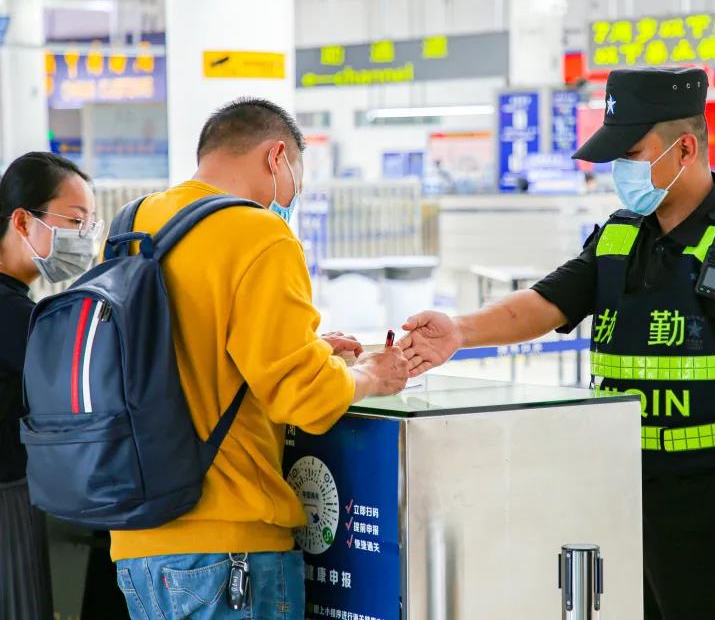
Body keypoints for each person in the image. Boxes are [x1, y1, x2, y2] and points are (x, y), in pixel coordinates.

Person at [401, 68, 715, 619]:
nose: (620, 172)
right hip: (618, 492)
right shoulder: (619, 236)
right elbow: (546, 301)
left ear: (685, 148)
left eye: (632, 154)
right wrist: (461, 331)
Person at [110, 98, 409, 619]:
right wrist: (370, 374)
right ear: (276, 157)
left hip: (138, 549)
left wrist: (311, 349)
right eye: (296, 180)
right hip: (228, 550)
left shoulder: (133, 224)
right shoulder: (260, 233)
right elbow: (305, 398)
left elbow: (191, 351)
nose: (290, 198)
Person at [0, 151, 99, 619]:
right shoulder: (13, 316)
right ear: (22, 220)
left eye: (89, 225)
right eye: (75, 221)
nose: (83, 238)